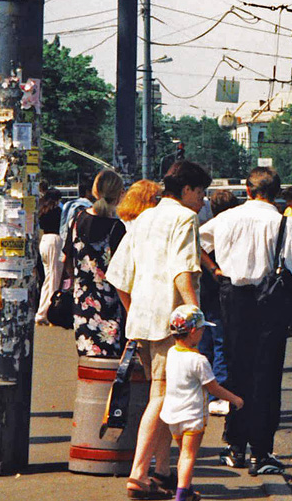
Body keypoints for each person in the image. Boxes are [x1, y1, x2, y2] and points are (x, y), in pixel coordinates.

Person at [108, 160, 210, 500]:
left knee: (164, 396)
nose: (202, 199)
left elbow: (119, 275)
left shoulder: (143, 217)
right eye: (200, 192)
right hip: (173, 323)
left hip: (142, 321)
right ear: (186, 190)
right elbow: (183, 271)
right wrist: (194, 315)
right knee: (163, 397)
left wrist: (135, 311)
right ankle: (139, 474)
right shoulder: (184, 218)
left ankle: (163, 473)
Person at [201, 167, 292, 475]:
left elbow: (197, 240)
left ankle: (234, 446)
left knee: (236, 371)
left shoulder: (226, 218)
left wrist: (215, 270)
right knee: (267, 376)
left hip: (233, 298)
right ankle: (261, 452)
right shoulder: (283, 223)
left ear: (247, 190)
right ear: (274, 192)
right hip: (270, 302)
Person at [160, 304, 243, 501]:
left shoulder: (171, 353)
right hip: (192, 415)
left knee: (182, 453)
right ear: (194, 332)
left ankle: (187, 489)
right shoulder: (199, 361)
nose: (204, 333)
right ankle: (181, 494)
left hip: (173, 414)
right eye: (202, 329)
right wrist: (234, 399)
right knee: (189, 455)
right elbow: (213, 388)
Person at [67, 170, 127, 358]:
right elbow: (122, 270)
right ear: (118, 194)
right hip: (109, 302)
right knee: (109, 359)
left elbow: (67, 258)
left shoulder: (77, 220)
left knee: (86, 357)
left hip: (82, 299)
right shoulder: (117, 227)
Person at [199, 189, 237, 412]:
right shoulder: (227, 229)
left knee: (205, 343)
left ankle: (205, 393)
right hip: (222, 290)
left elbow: (195, 244)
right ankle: (219, 391)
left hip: (204, 289)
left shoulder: (208, 229)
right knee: (222, 341)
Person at [34, 189, 64, 325]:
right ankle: (48, 313)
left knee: (48, 277)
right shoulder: (58, 211)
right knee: (54, 278)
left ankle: (42, 311)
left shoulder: (43, 210)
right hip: (55, 241)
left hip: (44, 241)